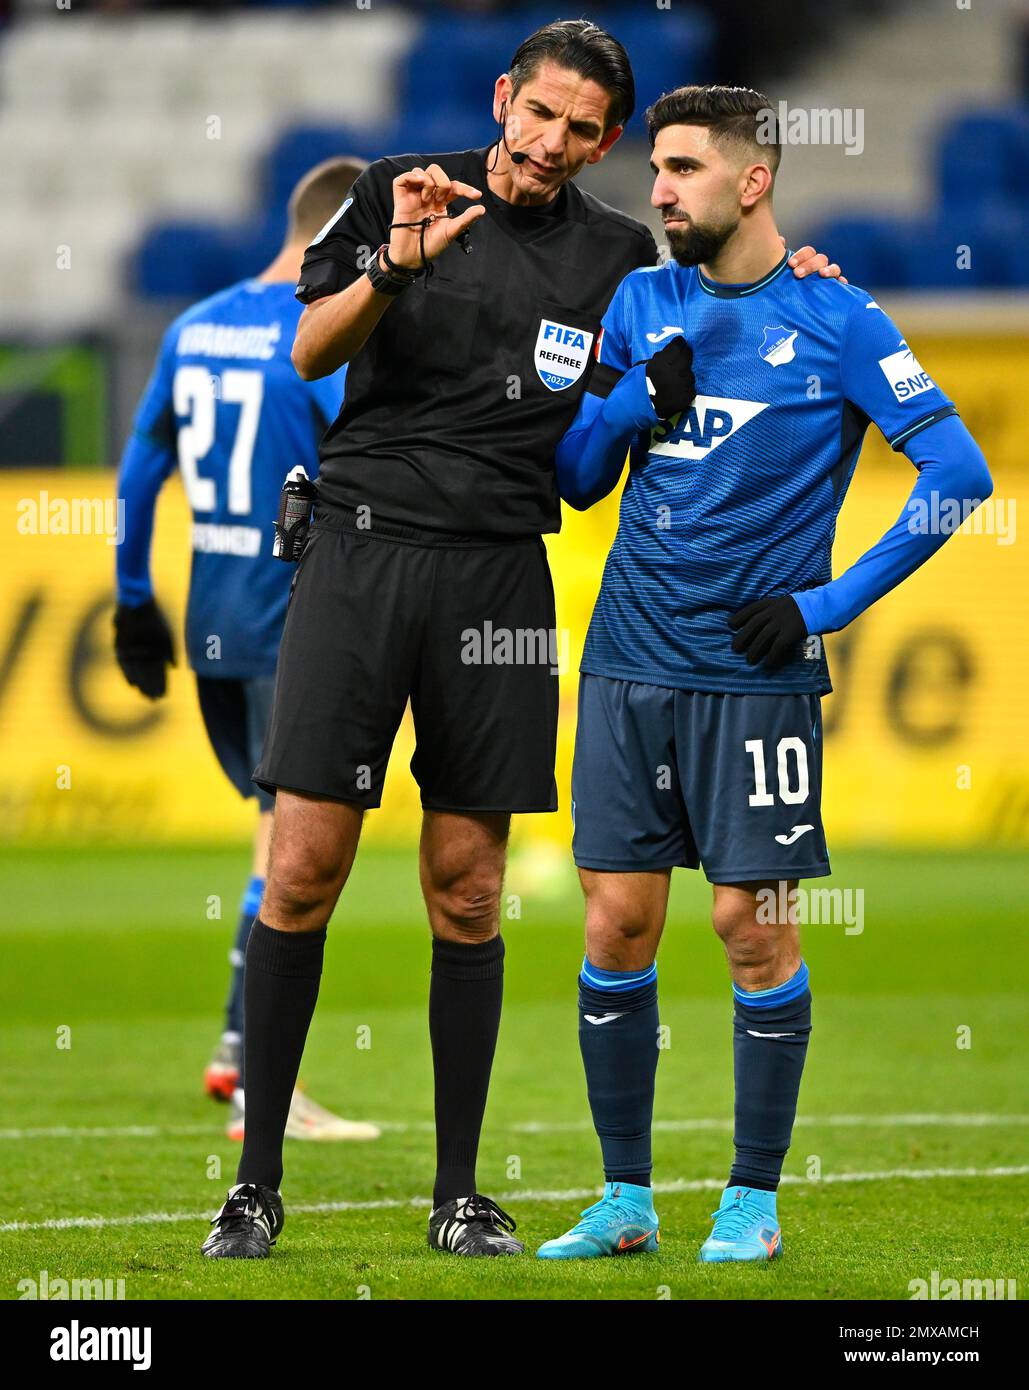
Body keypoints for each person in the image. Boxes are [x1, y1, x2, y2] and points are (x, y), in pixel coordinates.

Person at [201, 22, 840, 1261]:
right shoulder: (404, 190)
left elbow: (676, 359)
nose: (553, 143)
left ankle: (457, 1192)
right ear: (504, 99)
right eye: (539, 113)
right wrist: (396, 262)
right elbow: (308, 348)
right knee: (302, 870)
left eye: (583, 129)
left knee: (470, 887)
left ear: (605, 141)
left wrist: (804, 282)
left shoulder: (616, 257)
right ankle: (256, 1185)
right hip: (359, 551)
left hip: (499, 578)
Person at [536, 84, 992, 1263]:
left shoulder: (839, 317)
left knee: (751, 926)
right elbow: (578, 476)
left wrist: (826, 604)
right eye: (656, 169)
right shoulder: (641, 299)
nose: (658, 191)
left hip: (757, 675)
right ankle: (625, 1195)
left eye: (682, 169)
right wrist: (634, 398)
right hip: (630, 660)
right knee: (617, 921)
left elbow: (961, 471)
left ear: (753, 181)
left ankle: (751, 1198)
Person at [114, 157, 380, 1147]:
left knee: (270, 833)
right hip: (290, 618)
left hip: (208, 614)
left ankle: (242, 1052)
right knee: (295, 844)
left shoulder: (194, 326)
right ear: (345, 232)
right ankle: (254, 1063)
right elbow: (358, 478)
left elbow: (142, 470)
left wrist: (133, 603)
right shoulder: (318, 345)